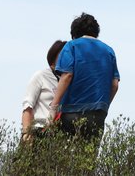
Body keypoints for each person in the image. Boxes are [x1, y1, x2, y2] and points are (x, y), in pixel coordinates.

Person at [51, 12, 120, 141]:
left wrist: (54, 107)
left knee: (63, 156)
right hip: (97, 113)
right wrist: (103, 107)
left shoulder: (71, 46)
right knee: (89, 157)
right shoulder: (109, 51)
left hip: (71, 112)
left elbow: (67, 76)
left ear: (74, 33)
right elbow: (114, 85)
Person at [21, 40, 66, 143]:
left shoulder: (68, 80)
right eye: (62, 55)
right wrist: (26, 134)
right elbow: (28, 106)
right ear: (54, 57)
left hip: (59, 134)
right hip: (39, 130)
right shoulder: (41, 76)